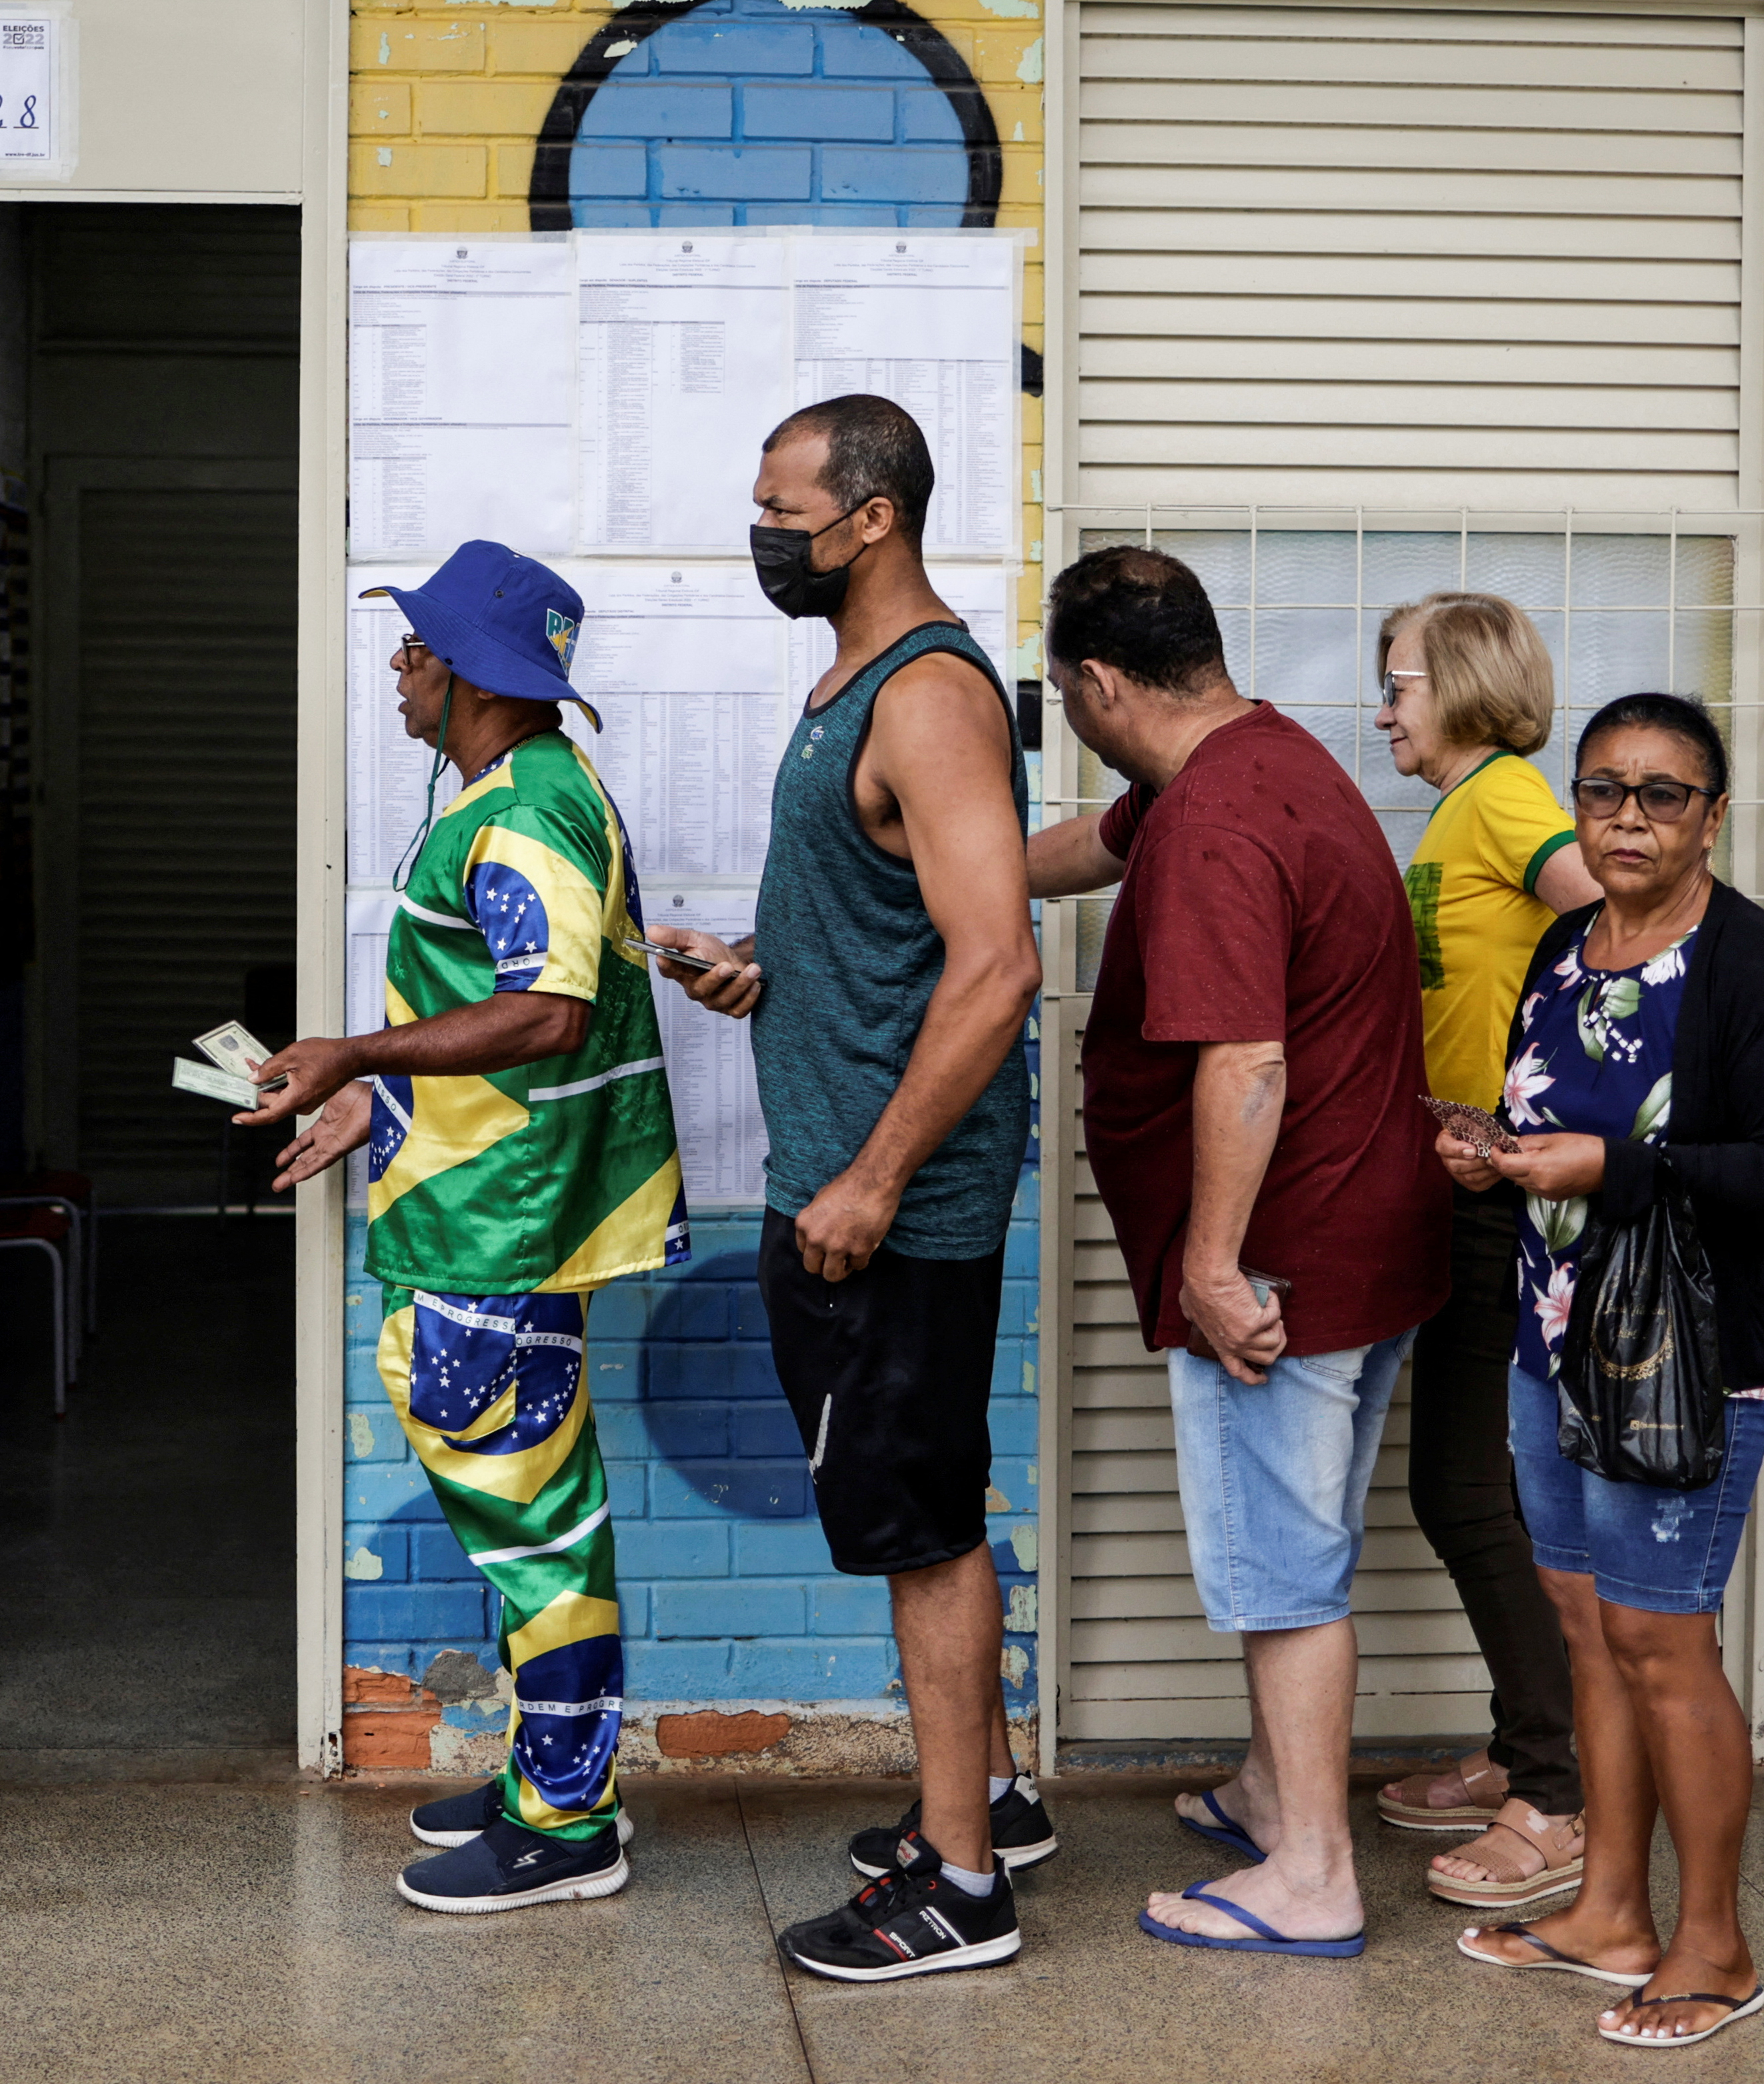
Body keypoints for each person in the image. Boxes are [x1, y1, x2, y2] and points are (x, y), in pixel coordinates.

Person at [653, 395, 1047, 1981]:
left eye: (781, 507)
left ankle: (960, 1884)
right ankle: (989, 1802)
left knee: (922, 1530)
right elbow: (897, 934)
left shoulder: (930, 694)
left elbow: (998, 962)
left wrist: (877, 1175)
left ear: (870, 516)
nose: (763, 533)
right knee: (914, 1511)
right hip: (846, 1172)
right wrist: (774, 974)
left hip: (893, 1201)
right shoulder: (849, 688)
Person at [243, 541, 687, 1914]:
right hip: (478, 1209)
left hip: (497, 1228)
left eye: (414, 648)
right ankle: (542, 1785)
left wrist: (347, 1052)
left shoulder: (527, 813)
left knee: (537, 1528)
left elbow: (544, 1013)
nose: (396, 666)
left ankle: (566, 1825)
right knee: (530, 1520)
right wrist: (370, 1106)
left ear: (471, 678)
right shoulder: (516, 791)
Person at [1029, 545, 1451, 1960]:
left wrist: (1209, 1265)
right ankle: (1280, 1789)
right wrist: (934, 865)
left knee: (1284, 1570)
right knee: (1301, 1543)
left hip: (1282, 1255)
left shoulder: (1210, 827)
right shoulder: (1256, 761)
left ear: (1096, 686)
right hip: (1369, 1226)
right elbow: (1088, 845)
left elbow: (1246, 1058)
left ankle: (1314, 1872)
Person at [1441, 692, 1764, 2049]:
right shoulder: (1566, 945)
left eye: (1661, 793)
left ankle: (1713, 1947)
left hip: (1693, 1357)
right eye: (1603, 789)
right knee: (1587, 1628)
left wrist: (1615, 1169)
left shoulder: (1750, 967)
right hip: (1554, 1334)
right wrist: (1492, 1148)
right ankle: (1609, 1914)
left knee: (1661, 1640)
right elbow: (1559, 1117)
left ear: (1711, 816)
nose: (1626, 815)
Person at [1367, 592, 1604, 1911]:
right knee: (1477, 1487)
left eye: (1397, 681)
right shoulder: (1458, 810)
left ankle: (1555, 1792)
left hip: (1500, 1194)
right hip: (1460, 1183)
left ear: (1458, 685)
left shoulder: (1507, 795)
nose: (1382, 705)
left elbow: (1616, 933)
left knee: (1461, 1490)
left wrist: (1544, 1110)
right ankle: (1532, 1746)